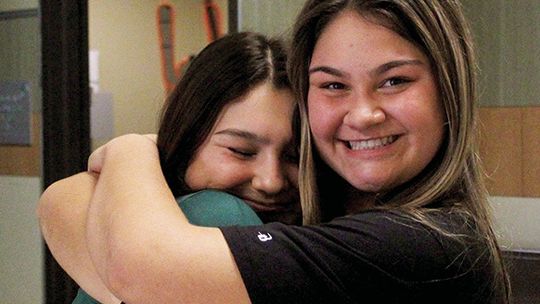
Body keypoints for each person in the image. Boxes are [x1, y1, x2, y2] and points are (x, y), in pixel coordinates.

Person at [38, 1, 511, 303]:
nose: (363, 113)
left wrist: (128, 149)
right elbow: (62, 202)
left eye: (395, 80)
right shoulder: (326, 209)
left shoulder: (420, 243)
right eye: (332, 85)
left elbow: (142, 268)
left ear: (450, 88)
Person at [39, 32, 302, 304]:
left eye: (295, 156)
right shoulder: (219, 213)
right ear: (188, 138)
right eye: (241, 151)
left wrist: (130, 149)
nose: (271, 181)